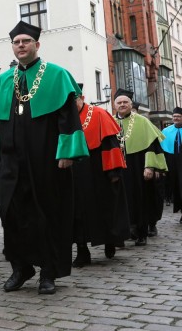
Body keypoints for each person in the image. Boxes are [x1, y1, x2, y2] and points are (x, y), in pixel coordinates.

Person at [0, 21, 88, 294]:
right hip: (10, 161)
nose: (21, 45)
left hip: (47, 160)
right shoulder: (3, 81)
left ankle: (48, 272)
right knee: (10, 212)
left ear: (37, 45)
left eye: (26, 41)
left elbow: (68, 118)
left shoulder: (57, 75)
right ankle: (21, 267)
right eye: (16, 42)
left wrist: (68, 153)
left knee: (48, 214)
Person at [71, 87, 129, 267]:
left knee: (104, 208)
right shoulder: (64, 118)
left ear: (82, 97)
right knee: (77, 212)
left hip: (98, 171)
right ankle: (82, 250)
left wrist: (113, 172)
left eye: (73, 100)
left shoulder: (99, 114)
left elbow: (111, 144)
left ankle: (110, 239)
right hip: (74, 172)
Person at [113, 89, 167, 246]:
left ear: (131, 104)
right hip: (118, 165)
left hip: (137, 165)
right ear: (114, 105)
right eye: (119, 102)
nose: (122, 105)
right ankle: (125, 231)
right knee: (121, 200)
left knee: (140, 198)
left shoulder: (142, 121)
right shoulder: (110, 120)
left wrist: (149, 167)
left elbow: (152, 145)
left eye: (125, 102)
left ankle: (142, 232)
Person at [161, 107, 182, 222]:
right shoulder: (166, 131)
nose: (176, 118)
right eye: (174, 117)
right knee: (176, 187)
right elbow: (162, 148)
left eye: (178, 116)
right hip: (172, 161)